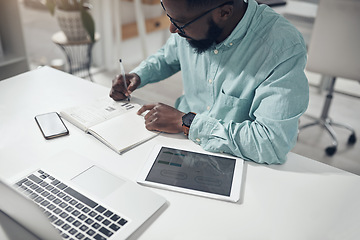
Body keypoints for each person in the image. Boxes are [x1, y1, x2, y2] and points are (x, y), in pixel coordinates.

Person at [109, 0, 309, 164]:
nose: (172, 29)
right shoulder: (190, 24)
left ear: (224, 13)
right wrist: (139, 75)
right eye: (169, 17)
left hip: (241, 160)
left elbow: (271, 143)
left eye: (179, 23)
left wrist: (186, 122)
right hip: (180, 143)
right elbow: (168, 56)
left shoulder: (281, 47)